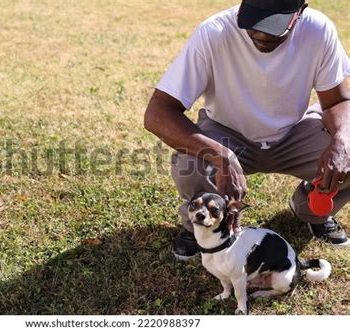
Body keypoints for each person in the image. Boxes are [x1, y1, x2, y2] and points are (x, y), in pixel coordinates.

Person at [144, 0, 350, 260]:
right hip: (227, 133)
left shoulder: (319, 30)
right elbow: (158, 113)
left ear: (300, 12)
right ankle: (201, 225)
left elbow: (338, 101)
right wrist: (221, 156)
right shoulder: (214, 32)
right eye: (254, 20)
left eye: (274, 26)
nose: (262, 34)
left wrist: (343, 141)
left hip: (294, 132)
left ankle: (312, 208)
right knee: (190, 161)